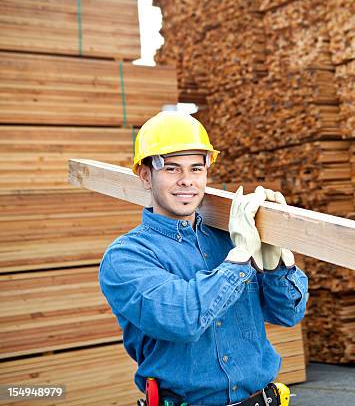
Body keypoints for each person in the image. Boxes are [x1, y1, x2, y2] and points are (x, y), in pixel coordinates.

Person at [99, 111, 309, 406]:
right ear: (146, 175)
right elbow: (182, 319)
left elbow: (288, 314)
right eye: (172, 169)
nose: (187, 181)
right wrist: (239, 260)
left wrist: (277, 261)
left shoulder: (229, 237)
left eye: (196, 169)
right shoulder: (126, 257)